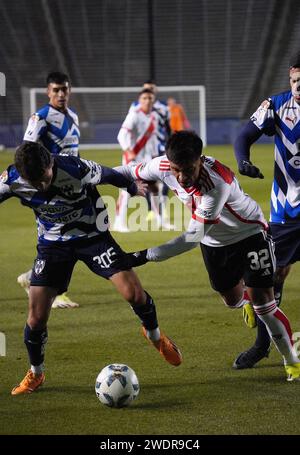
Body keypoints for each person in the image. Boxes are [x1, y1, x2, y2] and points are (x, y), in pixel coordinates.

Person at [114, 130, 300, 382]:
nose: (182, 177)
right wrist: (93, 177)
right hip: (214, 243)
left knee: (265, 305)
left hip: (250, 235)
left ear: (200, 159)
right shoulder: (162, 166)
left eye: (188, 169)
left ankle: (292, 363)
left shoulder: (216, 184)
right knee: (231, 299)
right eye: (177, 170)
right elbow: (129, 171)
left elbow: (190, 238)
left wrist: (143, 255)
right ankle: (246, 299)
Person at [0, 142, 182, 395]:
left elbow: (109, 174)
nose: (41, 186)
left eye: (44, 178)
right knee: (36, 317)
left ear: (51, 164)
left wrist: (131, 187)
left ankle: (156, 337)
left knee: (135, 295)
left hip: (94, 239)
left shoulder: (76, 168)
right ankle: (36, 373)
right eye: (34, 182)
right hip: (53, 247)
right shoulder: (12, 179)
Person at [232, 51, 300, 369]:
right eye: (294, 79)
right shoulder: (277, 106)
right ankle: (261, 345)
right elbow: (245, 135)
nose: (298, 85)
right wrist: (243, 160)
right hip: (285, 210)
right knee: (272, 276)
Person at [17, 71, 81, 308]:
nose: (61, 94)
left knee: (68, 238)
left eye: (64, 89)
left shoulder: (72, 115)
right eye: (56, 90)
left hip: (72, 185)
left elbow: (74, 153)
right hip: (50, 187)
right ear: (48, 92)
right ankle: (53, 291)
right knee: (60, 240)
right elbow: (27, 153)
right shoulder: (40, 118)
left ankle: (33, 277)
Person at [114, 88, 162, 231]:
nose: (147, 101)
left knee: (155, 187)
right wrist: (128, 150)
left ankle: (158, 218)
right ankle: (119, 222)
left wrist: (154, 156)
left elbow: (153, 138)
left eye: (150, 98)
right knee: (127, 190)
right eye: (145, 98)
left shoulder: (154, 117)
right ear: (140, 100)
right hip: (133, 159)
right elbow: (121, 134)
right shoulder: (133, 115)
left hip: (147, 161)